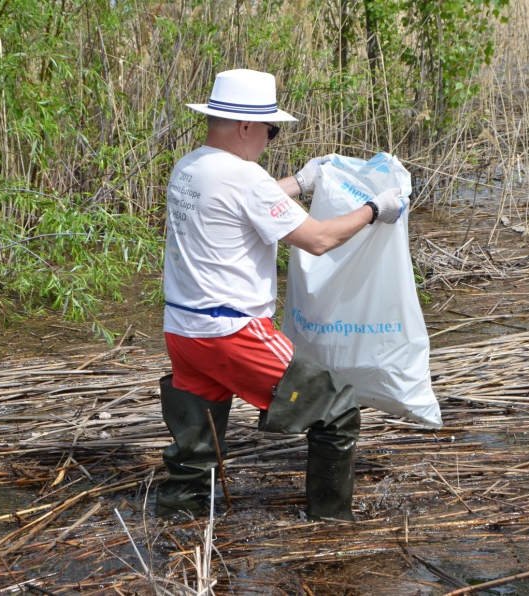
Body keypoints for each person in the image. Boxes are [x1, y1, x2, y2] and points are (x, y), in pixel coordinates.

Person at [157, 68, 408, 521]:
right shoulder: (245, 178)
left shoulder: (190, 167)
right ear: (246, 126)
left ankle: (178, 528)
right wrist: (374, 209)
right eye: (270, 130)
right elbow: (319, 239)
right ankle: (330, 525)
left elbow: (244, 200)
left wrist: (301, 182)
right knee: (337, 407)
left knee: (197, 444)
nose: (270, 139)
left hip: (183, 332)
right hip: (232, 332)